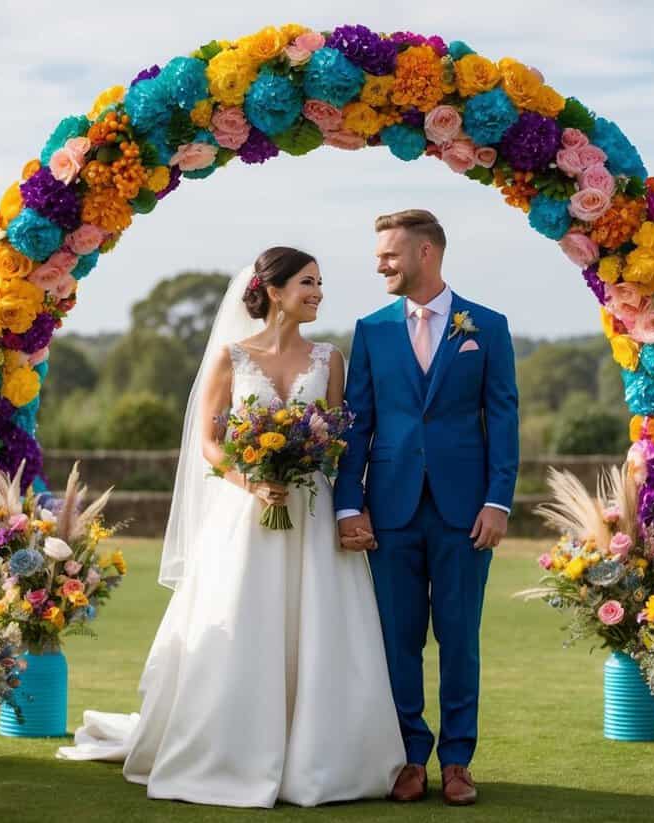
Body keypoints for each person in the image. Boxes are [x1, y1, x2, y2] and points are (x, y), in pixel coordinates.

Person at [57, 246, 405, 808]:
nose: (318, 292)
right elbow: (210, 444)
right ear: (273, 290)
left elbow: (337, 442)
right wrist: (254, 482)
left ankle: (324, 758)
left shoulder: (330, 358)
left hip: (312, 515)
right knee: (248, 621)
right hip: (249, 513)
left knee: (322, 629)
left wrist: (346, 506)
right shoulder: (232, 357)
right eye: (307, 283)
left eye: (320, 284)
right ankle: (231, 751)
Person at [335, 209, 520, 806]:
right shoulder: (371, 329)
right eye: (379, 255)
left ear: (426, 254)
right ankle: (410, 757)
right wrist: (347, 506)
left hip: (465, 511)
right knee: (398, 639)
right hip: (389, 510)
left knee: (460, 638)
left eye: (390, 254)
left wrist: (498, 501)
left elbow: (504, 418)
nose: (379, 264)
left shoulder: (486, 327)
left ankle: (458, 761)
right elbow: (355, 424)